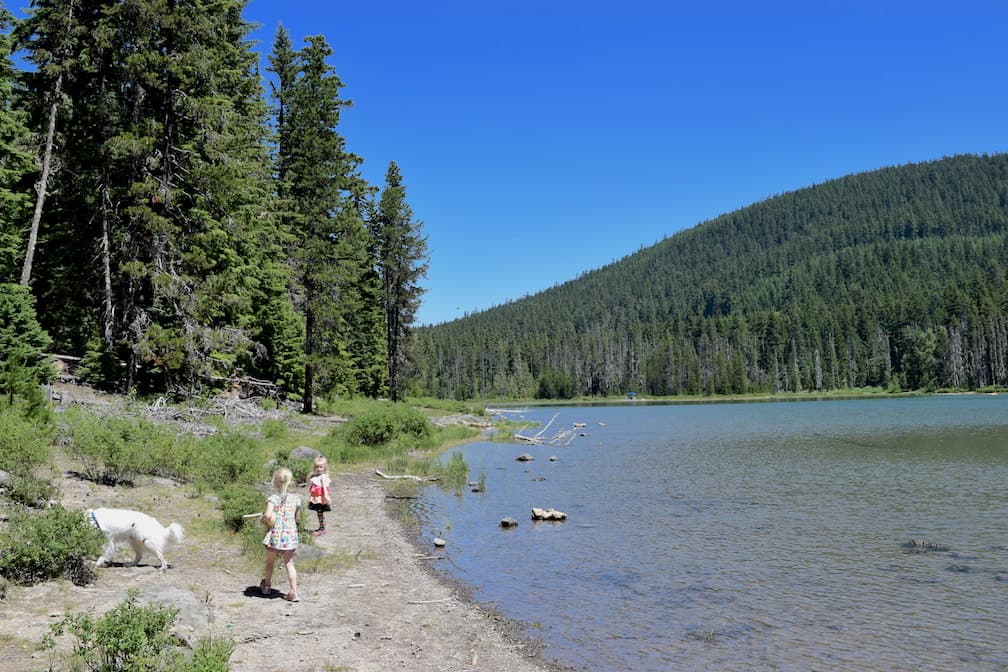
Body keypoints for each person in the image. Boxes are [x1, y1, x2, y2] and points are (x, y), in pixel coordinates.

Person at [260, 467, 302, 602]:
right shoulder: (296, 499)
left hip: (276, 536)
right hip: (289, 536)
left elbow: (267, 515)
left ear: (275, 482)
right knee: (289, 563)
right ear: (290, 482)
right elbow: (297, 519)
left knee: (270, 562)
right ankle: (294, 592)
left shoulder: (273, 499)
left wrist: (264, 519)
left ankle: (267, 586)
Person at [307, 455, 332, 536]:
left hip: (321, 499)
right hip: (316, 498)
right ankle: (321, 527)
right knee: (319, 513)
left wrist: (326, 496)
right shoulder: (315, 476)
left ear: (324, 468)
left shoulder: (323, 477)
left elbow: (324, 487)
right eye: (317, 467)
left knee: (320, 512)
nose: (318, 468)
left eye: (321, 467)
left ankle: (322, 528)